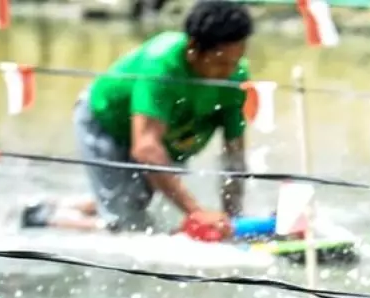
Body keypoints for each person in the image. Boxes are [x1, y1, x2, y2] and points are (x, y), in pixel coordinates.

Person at [20, 0, 253, 238]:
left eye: (235, 62)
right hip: (107, 125)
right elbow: (146, 148)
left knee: (139, 200)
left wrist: (233, 219)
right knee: (129, 229)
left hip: (166, 137)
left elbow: (234, 156)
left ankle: (73, 205)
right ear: (193, 47)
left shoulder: (236, 76)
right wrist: (197, 213)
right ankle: (44, 216)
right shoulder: (162, 65)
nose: (229, 72)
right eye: (220, 63)